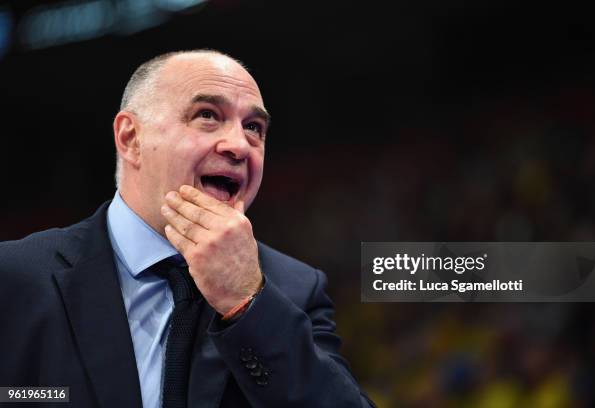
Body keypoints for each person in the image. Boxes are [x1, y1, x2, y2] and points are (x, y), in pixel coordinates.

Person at [0, 50, 375, 408]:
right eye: (208, 115)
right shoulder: (15, 278)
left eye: (254, 127)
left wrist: (246, 303)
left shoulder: (295, 289)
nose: (239, 145)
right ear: (131, 138)